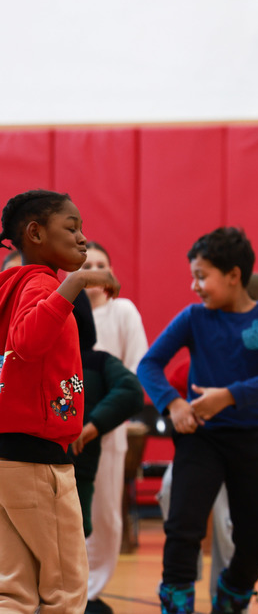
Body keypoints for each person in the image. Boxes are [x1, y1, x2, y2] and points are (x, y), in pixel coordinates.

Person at [138, 227, 258, 614]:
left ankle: (232, 594)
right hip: (201, 440)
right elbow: (149, 365)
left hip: (252, 440)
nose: (194, 286)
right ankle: (176, 603)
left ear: (233, 275)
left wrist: (228, 396)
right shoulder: (194, 318)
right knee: (182, 530)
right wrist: (173, 405)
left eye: (201, 276)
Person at [0, 189, 120, 613]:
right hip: (37, 460)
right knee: (67, 591)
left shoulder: (12, 286)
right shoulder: (40, 283)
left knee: (14, 592)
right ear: (35, 233)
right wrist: (76, 282)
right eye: (71, 228)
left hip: (9, 459)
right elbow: (27, 342)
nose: (83, 238)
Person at [80, 241, 150, 614]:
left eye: (100, 264)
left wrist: (107, 413)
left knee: (105, 513)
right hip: (64, 430)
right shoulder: (63, 311)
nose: (93, 270)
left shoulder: (123, 311)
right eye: (86, 263)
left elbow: (139, 367)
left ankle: (91, 590)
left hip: (109, 429)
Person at [69, 292, 144, 540]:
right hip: (31, 463)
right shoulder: (30, 357)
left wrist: (94, 425)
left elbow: (131, 391)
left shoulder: (98, 361)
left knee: (76, 529)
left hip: (79, 466)